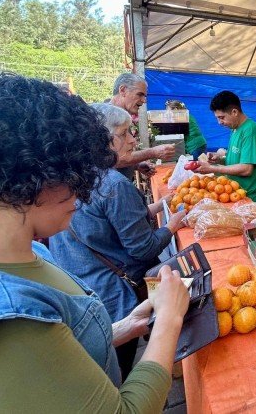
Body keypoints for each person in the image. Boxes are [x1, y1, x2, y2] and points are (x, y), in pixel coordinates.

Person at [0, 74, 189, 412]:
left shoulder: (30, 252)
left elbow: (56, 352)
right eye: (75, 172)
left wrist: (126, 326)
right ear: (28, 177)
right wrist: (170, 321)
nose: (84, 189)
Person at [50, 102, 187, 380]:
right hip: (114, 294)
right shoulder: (114, 184)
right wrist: (173, 224)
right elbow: (142, 248)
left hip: (80, 283)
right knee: (118, 369)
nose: (133, 139)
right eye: (125, 133)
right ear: (101, 139)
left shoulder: (73, 175)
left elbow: (109, 226)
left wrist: (160, 206)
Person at [195, 90, 256, 203]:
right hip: (235, 194)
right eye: (217, 118)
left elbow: (246, 169)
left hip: (251, 198)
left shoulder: (251, 131)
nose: (219, 122)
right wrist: (219, 159)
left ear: (234, 112)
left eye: (222, 117)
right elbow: (237, 158)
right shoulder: (235, 129)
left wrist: (213, 168)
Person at [110, 73, 176, 178]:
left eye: (145, 96)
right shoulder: (108, 117)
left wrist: (136, 165)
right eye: (140, 94)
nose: (144, 100)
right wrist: (153, 152)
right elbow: (114, 158)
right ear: (122, 90)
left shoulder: (121, 117)